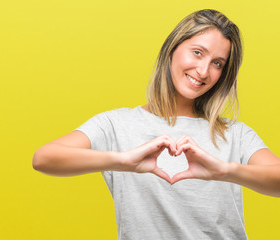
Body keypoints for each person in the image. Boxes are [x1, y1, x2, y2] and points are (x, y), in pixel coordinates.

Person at [33, 9, 280, 239]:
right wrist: (123, 161)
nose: (204, 71)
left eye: (218, 63)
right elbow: (44, 158)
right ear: (172, 49)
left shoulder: (234, 133)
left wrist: (225, 171)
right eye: (197, 52)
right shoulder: (117, 124)